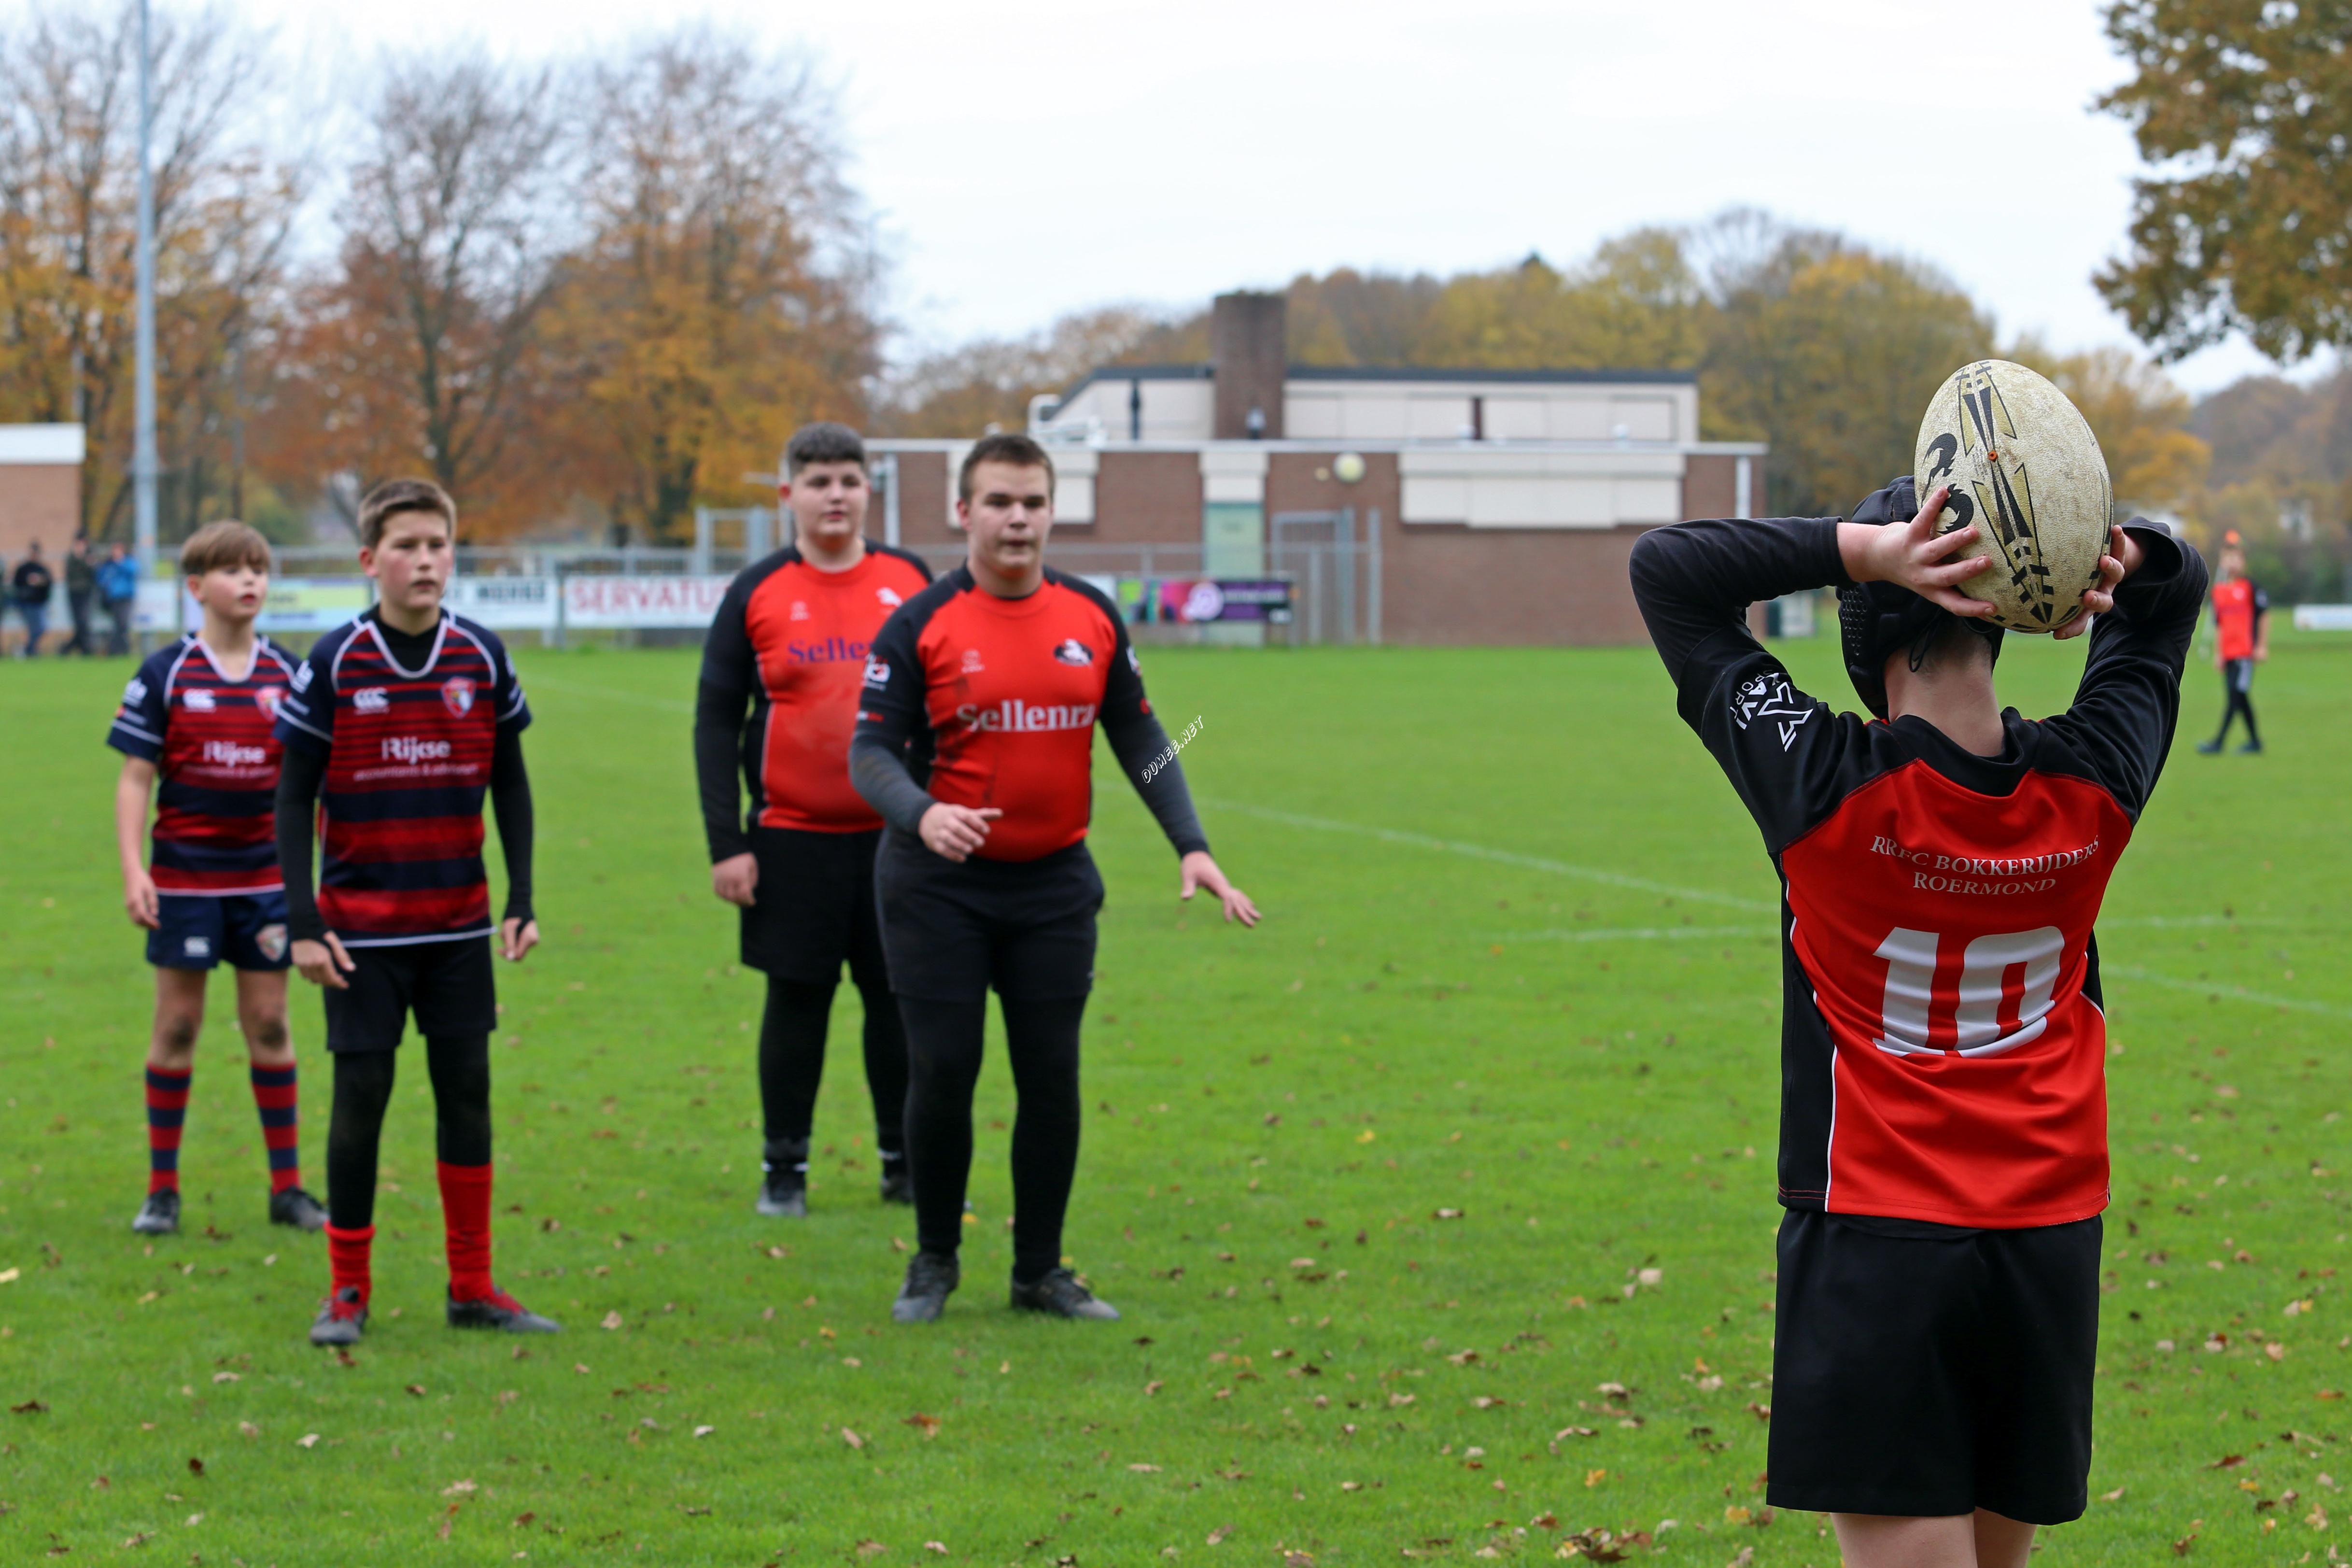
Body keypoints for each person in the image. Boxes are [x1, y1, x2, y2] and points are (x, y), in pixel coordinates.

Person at [1628, 478, 2202, 1568]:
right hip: (2045, 1236)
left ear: (1871, 620)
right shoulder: (2094, 775)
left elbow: (1669, 570)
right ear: (1996, 614)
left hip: (1876, 1240)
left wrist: (1859, 549)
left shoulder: (1821, 780)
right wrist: (2116, 552)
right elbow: (2164, 607)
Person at [851, 432, 1261, 1325]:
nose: (1017, 518)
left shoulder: (1090, 615)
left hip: (1053, 889)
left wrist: (1188, 841)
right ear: (964, 512)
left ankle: (1040, 1270)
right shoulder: (919, 623)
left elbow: (1145, 736)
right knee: (945, 1068)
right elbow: (870, 750)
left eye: (1033, 502)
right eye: (998, 501)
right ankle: (933, 1261)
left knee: (1051, 1075)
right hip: (936, 887)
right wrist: (921, 811)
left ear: (1052, 510)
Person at [272, 478, 556, 1346]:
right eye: (407, 545)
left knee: (467, 1096)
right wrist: (305, 922)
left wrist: (521, 897)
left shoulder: (482, 654)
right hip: (361, 931)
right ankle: (346, 1294)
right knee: (361, 1096)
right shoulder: (334, 660)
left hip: (458, 924)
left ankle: (471, 1286)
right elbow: (291, 799)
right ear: (370, 561)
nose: (426, 559)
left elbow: (510, 779)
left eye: (438, 544)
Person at [696, 422, 933, 1218]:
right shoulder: (756, 591)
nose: (835, 494)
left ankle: (904, 1163)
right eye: (818, 480)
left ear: (870, 490)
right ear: (786, 494)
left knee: (897, 1000)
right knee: (796, 1003)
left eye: (849, 480)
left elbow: (941, 715)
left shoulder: (912, 579)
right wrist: (727, 842)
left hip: (896, 839)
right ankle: (783, 1170)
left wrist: (938, 815)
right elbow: (715, 721)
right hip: (790, 840)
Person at [108, 521, 325, 1237]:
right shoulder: (165, 672)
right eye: (233, 570)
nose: (250, 581)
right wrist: (135, 866)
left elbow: (313, 786)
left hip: (266, 881)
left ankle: (288, 1187)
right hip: (186, 883)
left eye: (258, 568)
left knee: (269, 1021)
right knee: (177, 1024)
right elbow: (135, 777)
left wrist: (316, 882)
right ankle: (161, 1189)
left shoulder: (290, 675)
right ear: (197, 587)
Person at [2197, 529, 2269, 755]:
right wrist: (2219, 653)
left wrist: (2261, 646)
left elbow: (2264, 616)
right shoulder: (2219, 592)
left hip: (2244, 654)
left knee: (2235, 697)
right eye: (2228, 558)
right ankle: (2256, 742)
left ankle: (2218, 743)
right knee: (2240, 698)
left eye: (2236, 558)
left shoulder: (2250, 587)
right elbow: (2220, 626)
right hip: (2228, 654)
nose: (2232, 562)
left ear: (2243, 560)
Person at [13, 539, 54, 656]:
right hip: (27, 603)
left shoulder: (42, 569)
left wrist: (40, 581)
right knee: (36, 629)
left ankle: (28, 649)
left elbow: (49, 583)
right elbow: (17, 584)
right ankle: (30, 650)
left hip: (39, 603)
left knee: (41, 628)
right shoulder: (23, 569)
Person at [99, 542, 140, 656]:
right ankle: (118, 650)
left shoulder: (127, 562)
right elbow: (101, 578)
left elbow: (133, 571)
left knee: (122, 624)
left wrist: (120, 563)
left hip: (125, 597)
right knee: (118, 624)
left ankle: (118, 649)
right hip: (114, 598)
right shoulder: (109, 565)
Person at [62, 537, 96, 656]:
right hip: (74, 593)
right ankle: (85, 648)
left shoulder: (89, 558)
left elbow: (92, 573)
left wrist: (86, 562)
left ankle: (70, 648)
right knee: (80, 622)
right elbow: (70, 574)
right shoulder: (71, 559)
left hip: (85, 593)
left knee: (83, 622)